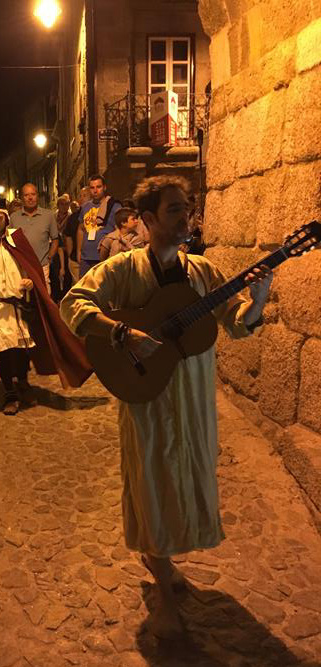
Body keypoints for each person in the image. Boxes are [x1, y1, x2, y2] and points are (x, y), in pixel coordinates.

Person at [60, 175, 273, 639]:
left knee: (185, 483)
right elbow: (71, 304)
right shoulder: (122, 269)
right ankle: (164, 599)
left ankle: (166, 567)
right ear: (150, 218)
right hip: (145, 399)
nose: (186, 217)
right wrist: (120, 332)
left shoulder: (203, 272)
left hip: (193, 403)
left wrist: (255, 301)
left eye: (187, 208)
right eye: (175, 210)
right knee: (150, 486)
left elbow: (236, 325)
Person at [0, 196, 92, 415]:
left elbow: (30, 266)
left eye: (0, 218)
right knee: (2, 352)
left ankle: (23, 382)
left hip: (17, 305)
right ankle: (9, 392)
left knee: (20, 350)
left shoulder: (16, 238)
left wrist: (30, 279)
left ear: (6, 218)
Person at [10, 183, 59, 294]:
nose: (30, 198)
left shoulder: (48, 215)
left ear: (37, 196)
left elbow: (55, 239)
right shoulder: (14, 217)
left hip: (42, 266)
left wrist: (49, 258)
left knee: (44, 297)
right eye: (27, 195)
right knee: (22, 298)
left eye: (33, 194)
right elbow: (10, 241)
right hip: (21, 267)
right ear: (22, 198)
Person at [77, 174, 122, 277]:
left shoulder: (114, 206)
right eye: (92, 187)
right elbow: (80, 229)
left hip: (104, 257)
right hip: (86, 257)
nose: (95, 190)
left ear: (104, 187)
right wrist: (79, 251)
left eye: (98, 187)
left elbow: (120, 230)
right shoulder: (85, 207)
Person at [64, 186, 90, 283]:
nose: (81, 198)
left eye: (85, 195)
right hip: (76, 259)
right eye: (80, 196)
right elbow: (68, 237)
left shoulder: (97, 214)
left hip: (92, 259)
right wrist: (71, 255)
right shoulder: (73, 218)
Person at [50, 194, 71, 302]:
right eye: (62, 204)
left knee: (67, 273)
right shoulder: (53, 217)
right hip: (56, 247)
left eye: (66, 204)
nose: (64, 206)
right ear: (58, 205)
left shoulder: (71, 217)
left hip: (67, 248)